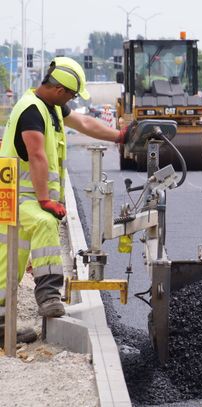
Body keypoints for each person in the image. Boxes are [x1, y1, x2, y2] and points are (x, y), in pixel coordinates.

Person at [0, 57, 132, 346]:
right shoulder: (32, 112)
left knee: (11, 262)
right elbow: (37, 155)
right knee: (44, 226)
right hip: (19, 196)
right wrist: (46, 199)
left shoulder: (52, 107)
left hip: (25, 196)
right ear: (60, 90)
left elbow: (84, 122)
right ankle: (48, 296)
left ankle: (2, 325)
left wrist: (120, 136)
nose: (72, 100)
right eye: (72, 95)